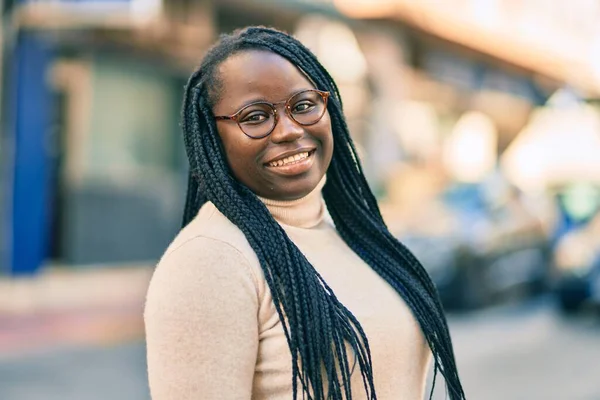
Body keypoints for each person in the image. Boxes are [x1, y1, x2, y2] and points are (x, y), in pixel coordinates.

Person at [144, 26, 466, 400]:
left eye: (303, 106)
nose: (289, 130)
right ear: (213, 137)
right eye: (255, 116)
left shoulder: (352, 234)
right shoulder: (210, 260)